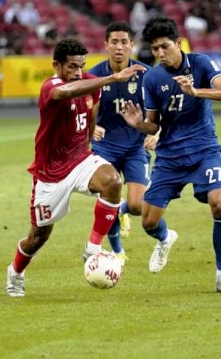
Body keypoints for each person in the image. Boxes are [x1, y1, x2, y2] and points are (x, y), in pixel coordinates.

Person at [6, 38, 147, 297]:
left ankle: (93, 248)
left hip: (80, 159)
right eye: (72, 66)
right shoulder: (51, 87)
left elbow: (92, 111)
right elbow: (68, 91)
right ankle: (15, 272)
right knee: (38, 237)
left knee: (113, 181)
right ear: (56, 65)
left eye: (81, 66)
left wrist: (90, 140)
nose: (78, 72)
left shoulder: (88, 84)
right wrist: (112, 79)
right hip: (51, 173)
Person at [119, 17, 221, 294]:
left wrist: (196, 91)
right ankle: (164, 239)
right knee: (148, 221)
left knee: (220, 203)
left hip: (204, 151)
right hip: (170, 158)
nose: (160, 54)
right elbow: (154, 124)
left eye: (164, 47)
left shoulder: (201, 63)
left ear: (178, 43)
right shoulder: (152, 78)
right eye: (155, 49)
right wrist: (139, 124)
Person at [88, 22, 157, 265]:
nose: (119, 47)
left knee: (138, 206)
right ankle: (117, 250)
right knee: (109, 194)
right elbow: (82, 109)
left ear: (132, 45)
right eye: (114, 42)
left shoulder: (147, 74)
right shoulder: (95, 75)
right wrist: (91, 126)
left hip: (134, 146)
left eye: (124, 42)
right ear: (106, 45)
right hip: (104, 146)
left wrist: (155, 133)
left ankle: (119, 211)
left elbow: (160, 110)